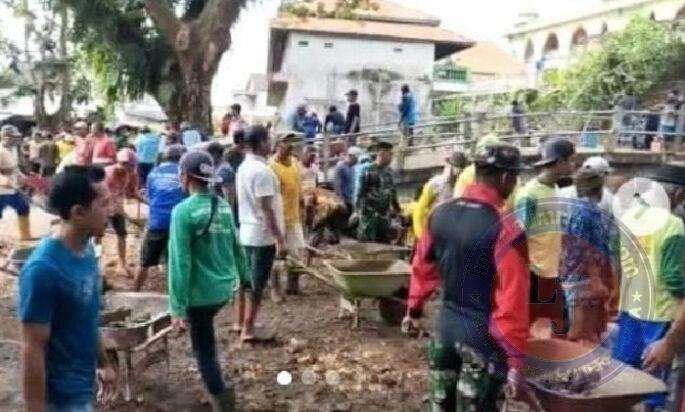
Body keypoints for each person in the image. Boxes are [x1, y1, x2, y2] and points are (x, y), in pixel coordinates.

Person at [404, 144, 532, 411]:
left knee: (440, 404)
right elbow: (512, 298)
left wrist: (413, 310)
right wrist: (515, 360)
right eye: (514, 177)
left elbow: (422, 267)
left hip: (445, 329)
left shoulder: (440, 213)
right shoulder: (507, 227)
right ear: (506, 177)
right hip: (482, 339)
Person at [19, 165, 117, 412]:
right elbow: (33, 349)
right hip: (59, 400)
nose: (112, 210)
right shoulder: (43, 270)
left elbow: (87, 317)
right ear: (78, 212)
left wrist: (104, 363)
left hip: (83, 388)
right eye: (104, 204)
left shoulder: (87, 252)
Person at [167, 150, 247, 411]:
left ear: (185, 177)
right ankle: (216, 389)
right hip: (224, 289)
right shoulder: (222, 206)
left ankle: (221, 397)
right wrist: (245, 277)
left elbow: (180, 263)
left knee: (203, 350)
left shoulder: (183, 212)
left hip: (200, 295)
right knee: (207, 336)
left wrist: (177, 307)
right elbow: (237, 247)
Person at [611, 163, 685, 410]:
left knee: (623, 377)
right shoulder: (673, 224)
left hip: (631, 309)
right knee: (652, 383)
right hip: (660, 315)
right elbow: (675, 280)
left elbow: (618, 262)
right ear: (677, 194)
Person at [515, 137, 576, 334]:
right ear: (560, 162)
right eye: (571, 160)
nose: (574, 165)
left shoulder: (554, 188)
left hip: (551, 270)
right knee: (525, 322)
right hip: (535, 272)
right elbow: (518, 235)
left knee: (561, 322)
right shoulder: (529, 195)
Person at [558, 168, 620, 343]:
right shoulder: (587, 212)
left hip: (576, 275)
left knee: (587, 328)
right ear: (598, 188)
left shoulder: (577, 209)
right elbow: (585, 248)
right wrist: (596, 280)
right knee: (582, 331)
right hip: (583, 278)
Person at [235, 125, 285, 342]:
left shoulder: (244, 167)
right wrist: (279, 239)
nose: (270, 144)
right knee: (257, 284)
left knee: (245, 282)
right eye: (268, 140)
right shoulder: (262, 171)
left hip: (247, 230)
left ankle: (240, 322)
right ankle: (248, 329)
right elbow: (266, 209)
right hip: (261, 235)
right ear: (262, 143)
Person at [134, 144, 186, 291]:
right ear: (180, 158)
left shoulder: (153, 173)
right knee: (173, 261)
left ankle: (135, 291)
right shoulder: (183, 172)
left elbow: (150, 197)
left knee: (144, 262)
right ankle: (172, 295)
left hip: (156, 222)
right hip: (177, 222)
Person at [270, 135, 305, 296]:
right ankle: (275, 290)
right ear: (278, 145)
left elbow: (298, 188)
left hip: (294, 216)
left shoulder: (295, 164)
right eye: (286, 143)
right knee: (278, 254)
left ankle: (293, 286)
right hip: (279, 218)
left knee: (296, 253)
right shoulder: (271, 167)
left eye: (291, 144)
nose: (290, 146)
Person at [104, 148, 142, 277]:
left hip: (117, 206)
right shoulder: (107, 173)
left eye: (133, 166)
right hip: (103, 206)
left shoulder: (132, 174)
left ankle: (121, 264)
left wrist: (148, 202)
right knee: (97, 234)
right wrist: (113, 208)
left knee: (122, 234)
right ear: (121, 163)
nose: (132, 169)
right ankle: (95, 260)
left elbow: (133, 192)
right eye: (129, 166)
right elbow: (104, 195)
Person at [412, 152, 468, 239]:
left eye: (461, 168)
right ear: (449, 166)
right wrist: (421, 236)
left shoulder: (465, 186)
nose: (458, 172)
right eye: (456, 167)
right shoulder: (435, 183)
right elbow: (419, 211)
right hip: (435, 231)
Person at [356, 142, 400, 242]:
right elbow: (360, 192)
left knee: (385, 242)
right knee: (368, 242)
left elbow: (393, 193)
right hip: (370, 215)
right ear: (381, 154)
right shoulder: (368, 170)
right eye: (390, 155)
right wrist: (357, 211)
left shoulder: (390, 172)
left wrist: (398, 210)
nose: (391, 158)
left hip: (384, 216)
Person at [0, 125, 33, 240]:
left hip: (12, 189)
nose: (16, 139)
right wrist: (4, 180)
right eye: (14, 137)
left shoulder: (12, 150)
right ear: (6, 137)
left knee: (24, 207)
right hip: (2, 189)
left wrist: (24, 178)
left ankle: (25, 236)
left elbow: (15, 169)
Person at [334, 146, 361, 213]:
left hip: (353, 201)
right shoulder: (341, 167)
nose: (358, 161)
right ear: (351, 156)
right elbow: (337, 186)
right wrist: (341, 202)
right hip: (345, 202)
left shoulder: (354, 167)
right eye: (356, 158)